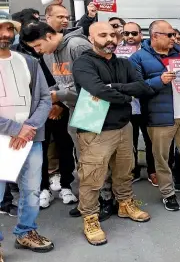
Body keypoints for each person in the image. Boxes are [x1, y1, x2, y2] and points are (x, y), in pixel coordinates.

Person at [72, 22, 153, 246]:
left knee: (124, 170)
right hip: (94, 126)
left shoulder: (125, 63)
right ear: (91, 38)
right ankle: (90, 217)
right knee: (91, 177)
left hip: (123, 126)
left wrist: (114, 88)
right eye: (103, 35)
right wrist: (126, 96)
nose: (110, 39)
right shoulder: (83, 63)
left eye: (113, 34)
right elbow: (97, 90)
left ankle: (125, 204)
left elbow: (142, 87)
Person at [130, 20, 180, 212]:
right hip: (160, 117)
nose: (173, 38)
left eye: (174, 35)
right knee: (162, 158)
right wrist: (159, 80)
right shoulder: (138, 58)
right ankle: (168, 194)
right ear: (155, 36)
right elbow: (137, 88)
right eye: (169, 35)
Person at [20, 21, 91, 208]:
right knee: (83, 159)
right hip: (74, 109)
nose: (37, 51)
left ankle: (102, 199)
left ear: (49, 36)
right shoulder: (48, 55)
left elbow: (94, 87)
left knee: (93, 159)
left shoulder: (77, 46)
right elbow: (61, 84)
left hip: (91, 109)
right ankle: (90, 202)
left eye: (38, 45)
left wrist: (57, 96)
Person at [0, 18, 54, 259]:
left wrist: (29, 127)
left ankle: (26, 232)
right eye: (0, 29)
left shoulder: (29, 61)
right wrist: (14, 128)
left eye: (9, 28)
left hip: (30, 137)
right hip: (4, 138)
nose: (5, 34)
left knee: (31, 190)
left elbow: (44, 97)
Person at [120, 22, 156, 185]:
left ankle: (152, 170)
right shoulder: (116, 52)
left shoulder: (148, 52)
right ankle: (132, 170)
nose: (130, 37)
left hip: (147, 103)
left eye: (134, 33)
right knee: (129, 141)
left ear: (141, 34)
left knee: (150, 140)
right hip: (127, 105)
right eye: (126, 33)